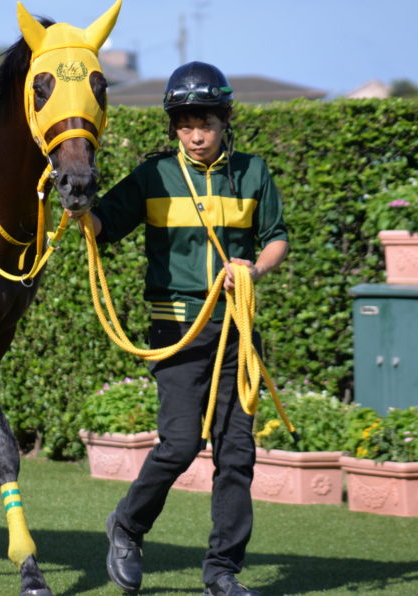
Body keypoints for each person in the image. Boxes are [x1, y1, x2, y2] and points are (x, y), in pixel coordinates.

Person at [75, 61, 289, 596]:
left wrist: (254, 269)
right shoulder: (153, 176)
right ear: (173, 126)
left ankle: (222, 571)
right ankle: (126, 526)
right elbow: (101, 229)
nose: (196, 135)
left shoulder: (255, 171)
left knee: (237, 454)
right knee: (178, 443)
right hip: (176, 332)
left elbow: (276, 237)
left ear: (226, 121)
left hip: (238, 330)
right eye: (186, 124)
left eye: (207, 123)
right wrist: (77, 206)